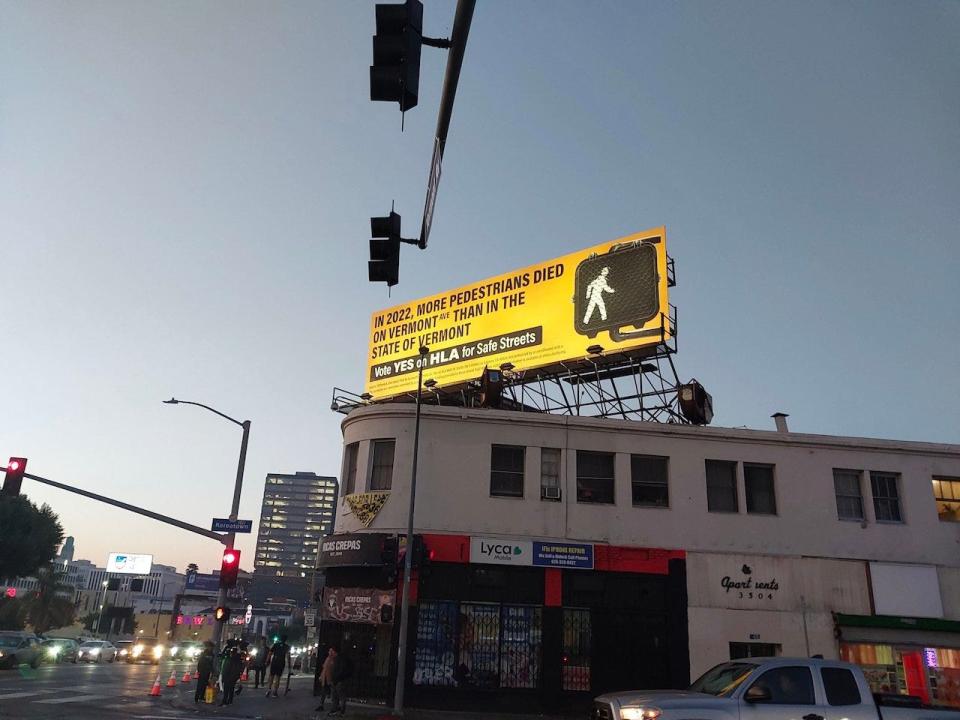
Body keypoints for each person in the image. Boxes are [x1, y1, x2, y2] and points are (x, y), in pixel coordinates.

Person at [328, 645, 353, 716]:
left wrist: (336, 679)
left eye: (331, 651)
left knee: (341, 697)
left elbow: (340, 671)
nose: (329, 652)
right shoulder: (335, 659)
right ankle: (335, 710)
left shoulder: (340, 659)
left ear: (334, 651)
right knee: (334, 697)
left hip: (340, 681)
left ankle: (342, 712)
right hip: (336, 681)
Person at [314, 646, 335, 712]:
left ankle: (334, 707)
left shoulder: (334, 659)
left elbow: (331, 670)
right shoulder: (328, 659)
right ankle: (322, 705)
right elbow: (324, 669)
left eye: (331, 651)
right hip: (326, 678)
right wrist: (321, 676)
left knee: (333, 693)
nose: (329, 652)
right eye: (329, 651)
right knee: (324, 692)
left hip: (330, 679)